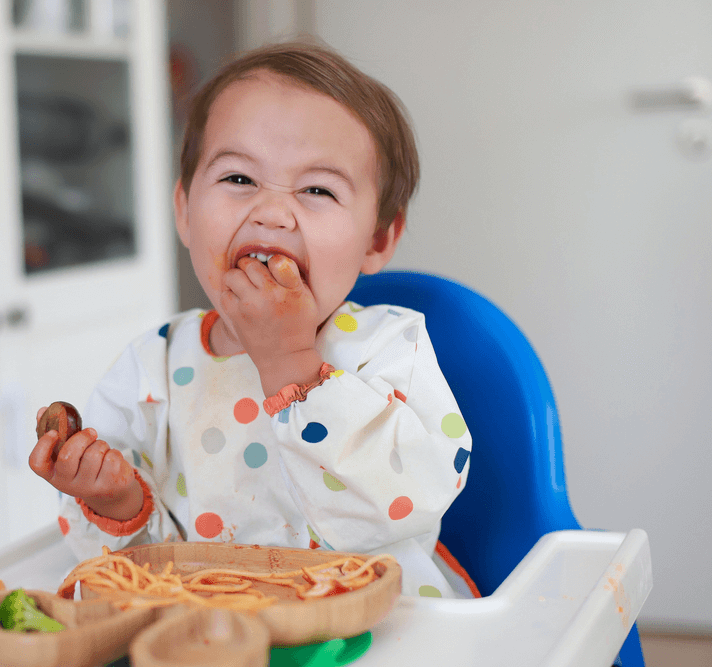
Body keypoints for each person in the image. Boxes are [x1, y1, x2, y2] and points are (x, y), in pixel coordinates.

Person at [29, 41, 476, 599]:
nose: (271, 212)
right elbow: (138, 571)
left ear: (378, 239)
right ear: (185, 210)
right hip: (216, 632)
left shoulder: (389, 348)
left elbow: (402, 501)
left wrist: (292, 364)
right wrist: (117, 502)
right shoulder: (154, 367)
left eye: (317, 189)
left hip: (384, 625)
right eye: (239, 179)